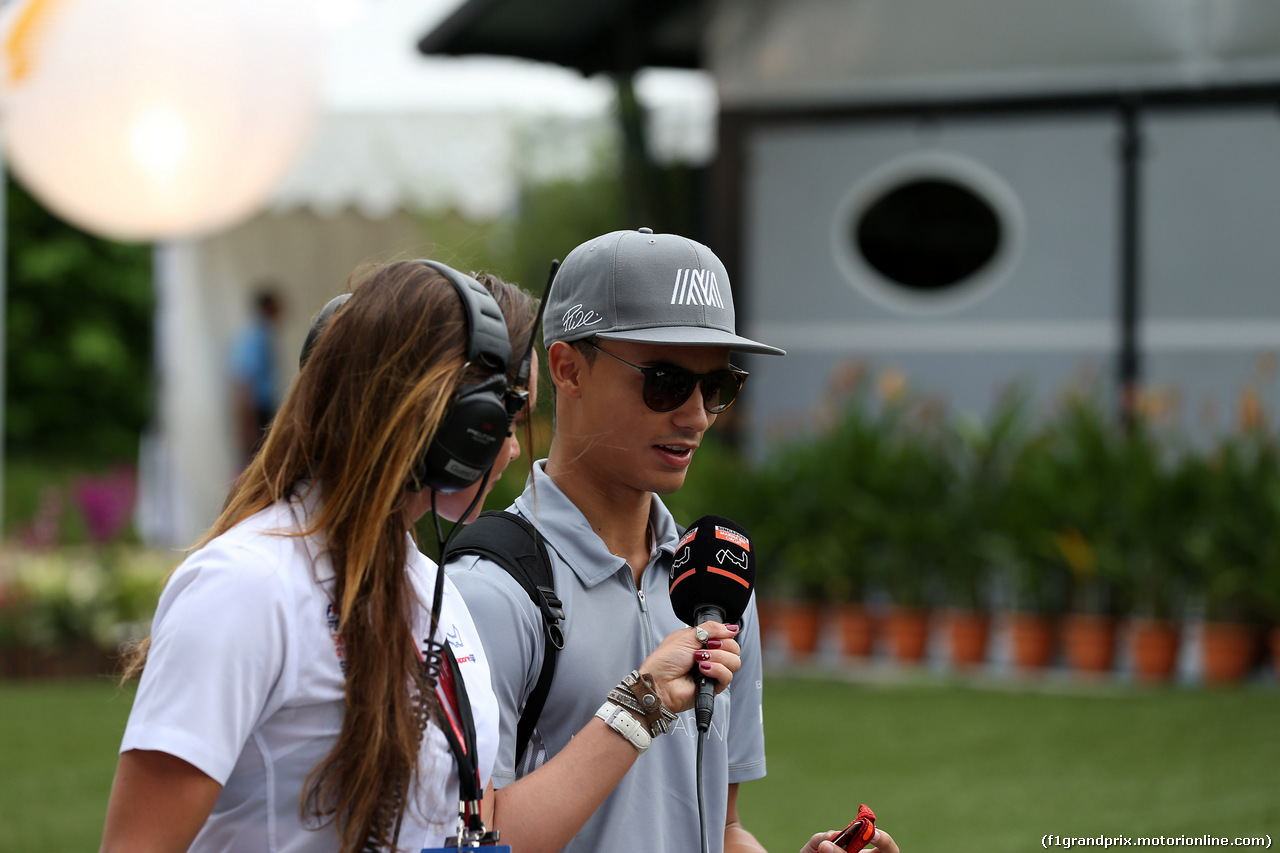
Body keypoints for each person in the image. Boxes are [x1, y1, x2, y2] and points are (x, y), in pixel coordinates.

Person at [100, 259, 737, 853]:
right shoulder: (244, 586)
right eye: (507, 418)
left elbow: (485, 829)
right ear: (454, 420)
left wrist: (644, 700)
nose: (513, 450)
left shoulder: (430, 589)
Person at [445, 228, 900, 853]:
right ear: (567, 369)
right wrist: (638, 710)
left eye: (717, 388)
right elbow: (470, 841)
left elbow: (722, 827)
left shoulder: (719, 581)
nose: (695, 416)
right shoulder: (486, 591)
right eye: (665, 382)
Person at [231, 286, 284, 464]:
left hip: (261, 408)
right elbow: (245, 379)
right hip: (257, 410)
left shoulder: (262, 334)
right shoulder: (257, 336)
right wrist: (249, 423)